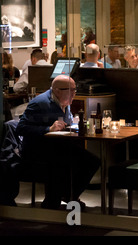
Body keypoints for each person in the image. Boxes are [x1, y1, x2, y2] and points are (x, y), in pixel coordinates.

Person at [16, 75, 100, 210]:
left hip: (57, 146)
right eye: (70, 90)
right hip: (37, 149)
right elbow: (21, 128)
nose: (74, 93)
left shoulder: (64, 101)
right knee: (62, 161)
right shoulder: (40, 103)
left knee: (92, 161)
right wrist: (48, 128)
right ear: (57, 90)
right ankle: (54, 200)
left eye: (74, 90)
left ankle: (69, 195)